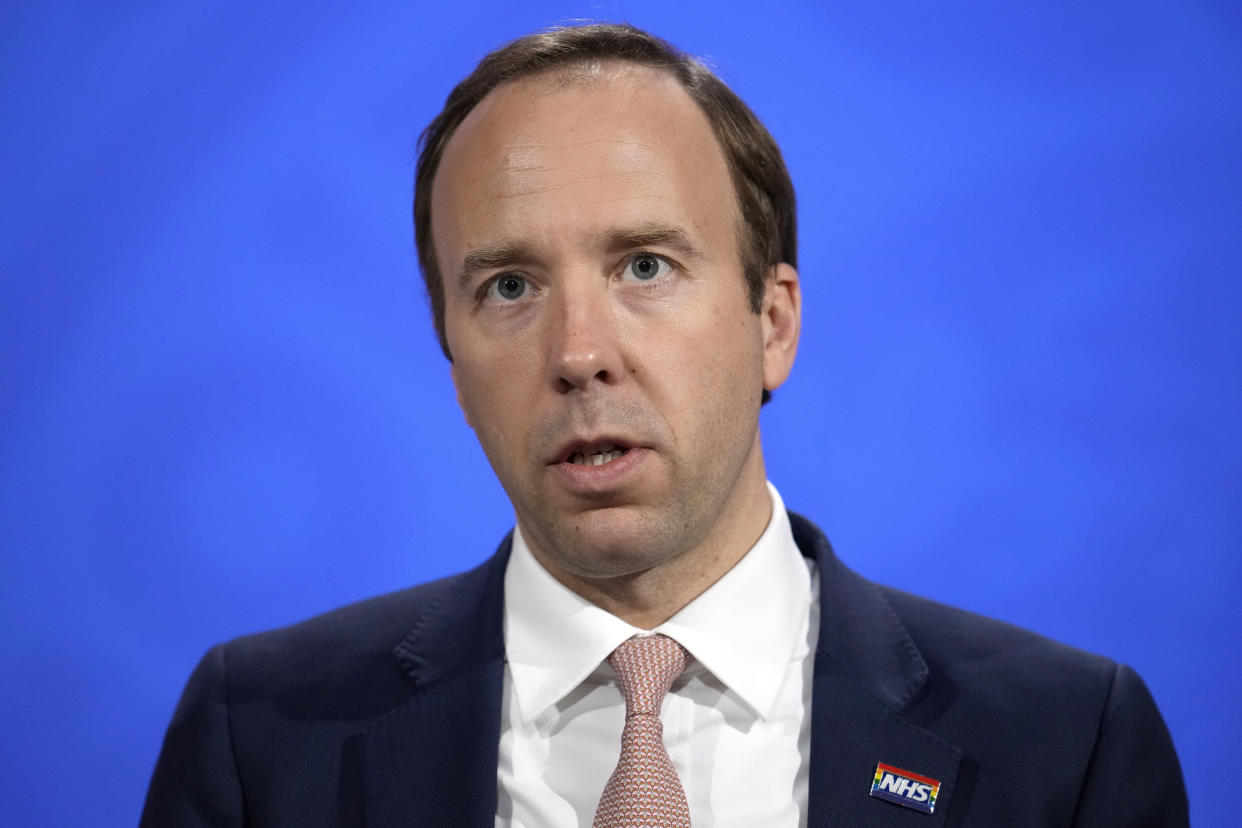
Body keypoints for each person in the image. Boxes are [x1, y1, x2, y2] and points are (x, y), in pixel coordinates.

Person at [141, 23, 1188, 827]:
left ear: (771, 323)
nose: (578, 352)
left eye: (645, 266)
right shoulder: (260, 740)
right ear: (454, 367)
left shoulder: (1065, 746)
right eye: (508, 286)